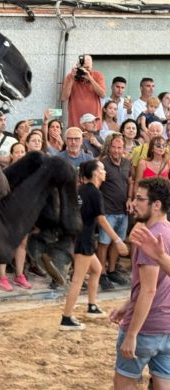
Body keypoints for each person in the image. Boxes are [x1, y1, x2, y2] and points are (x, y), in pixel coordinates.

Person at [109, 178, 170, 390]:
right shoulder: (168, 231)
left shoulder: (149, 238)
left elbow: (150, 289)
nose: (134, 203)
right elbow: (161, 283)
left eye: (139, 198)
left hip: (146, 327)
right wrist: (127, 305)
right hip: (167, 326)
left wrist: (132, 334)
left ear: (156, 205)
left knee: (124, 384)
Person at [60, 160, 128, 330]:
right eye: (103, 169)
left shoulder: (81, 190)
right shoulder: (94, 193)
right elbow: (101, 219)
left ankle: (91, 306)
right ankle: (66, 318)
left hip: (81, 237)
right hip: (84, 239)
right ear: (96, 173)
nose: (105, 172)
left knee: (97, 270)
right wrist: (118, 240)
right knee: (77, 280)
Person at [96, 133, 131, 291]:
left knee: (117, 243)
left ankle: (111, 271)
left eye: (120, 147)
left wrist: (130, 198)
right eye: (114, 147)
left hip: (123, 210)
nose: (117, 150)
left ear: (123, 148)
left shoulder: (127, 163)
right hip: (107, 210)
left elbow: (130, 182)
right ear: (109, 147)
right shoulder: (102, 163)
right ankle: (101, 274)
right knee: (104, 243)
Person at [0, 142, 32, 292]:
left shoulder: (30, 173)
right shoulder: (5, 172)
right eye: (17, 152)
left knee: (22, 243)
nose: (20, 154)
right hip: (8, 212)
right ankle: (2, 277)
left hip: (24, 212)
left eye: (22, 152)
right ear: (11, 155)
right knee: (6, 244)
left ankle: (19, 274)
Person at [61, 54, 106, 128]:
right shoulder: (70, 76)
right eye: (83, 68)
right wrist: (72, 79)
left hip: (94, 124)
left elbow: (103, 94)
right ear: (78, 66)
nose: (85, 70)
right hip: (75, 123)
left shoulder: (97, 75)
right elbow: (63, 98)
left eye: (88, 68)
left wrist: (90, 79)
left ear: (92, 67)